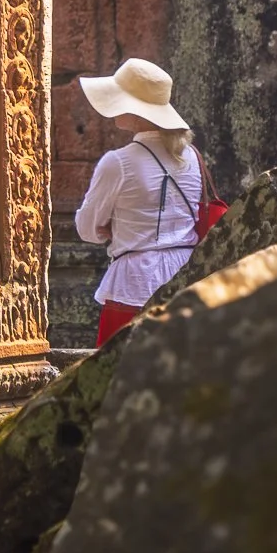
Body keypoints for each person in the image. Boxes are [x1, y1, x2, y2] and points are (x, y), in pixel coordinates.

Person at [74, 58, 210, 346]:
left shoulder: (118, 163)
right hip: (186, 277)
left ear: (135, 110)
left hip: (134, 283)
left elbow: (86, 228)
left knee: (119, 378)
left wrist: (112, 229)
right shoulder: (193, 157)